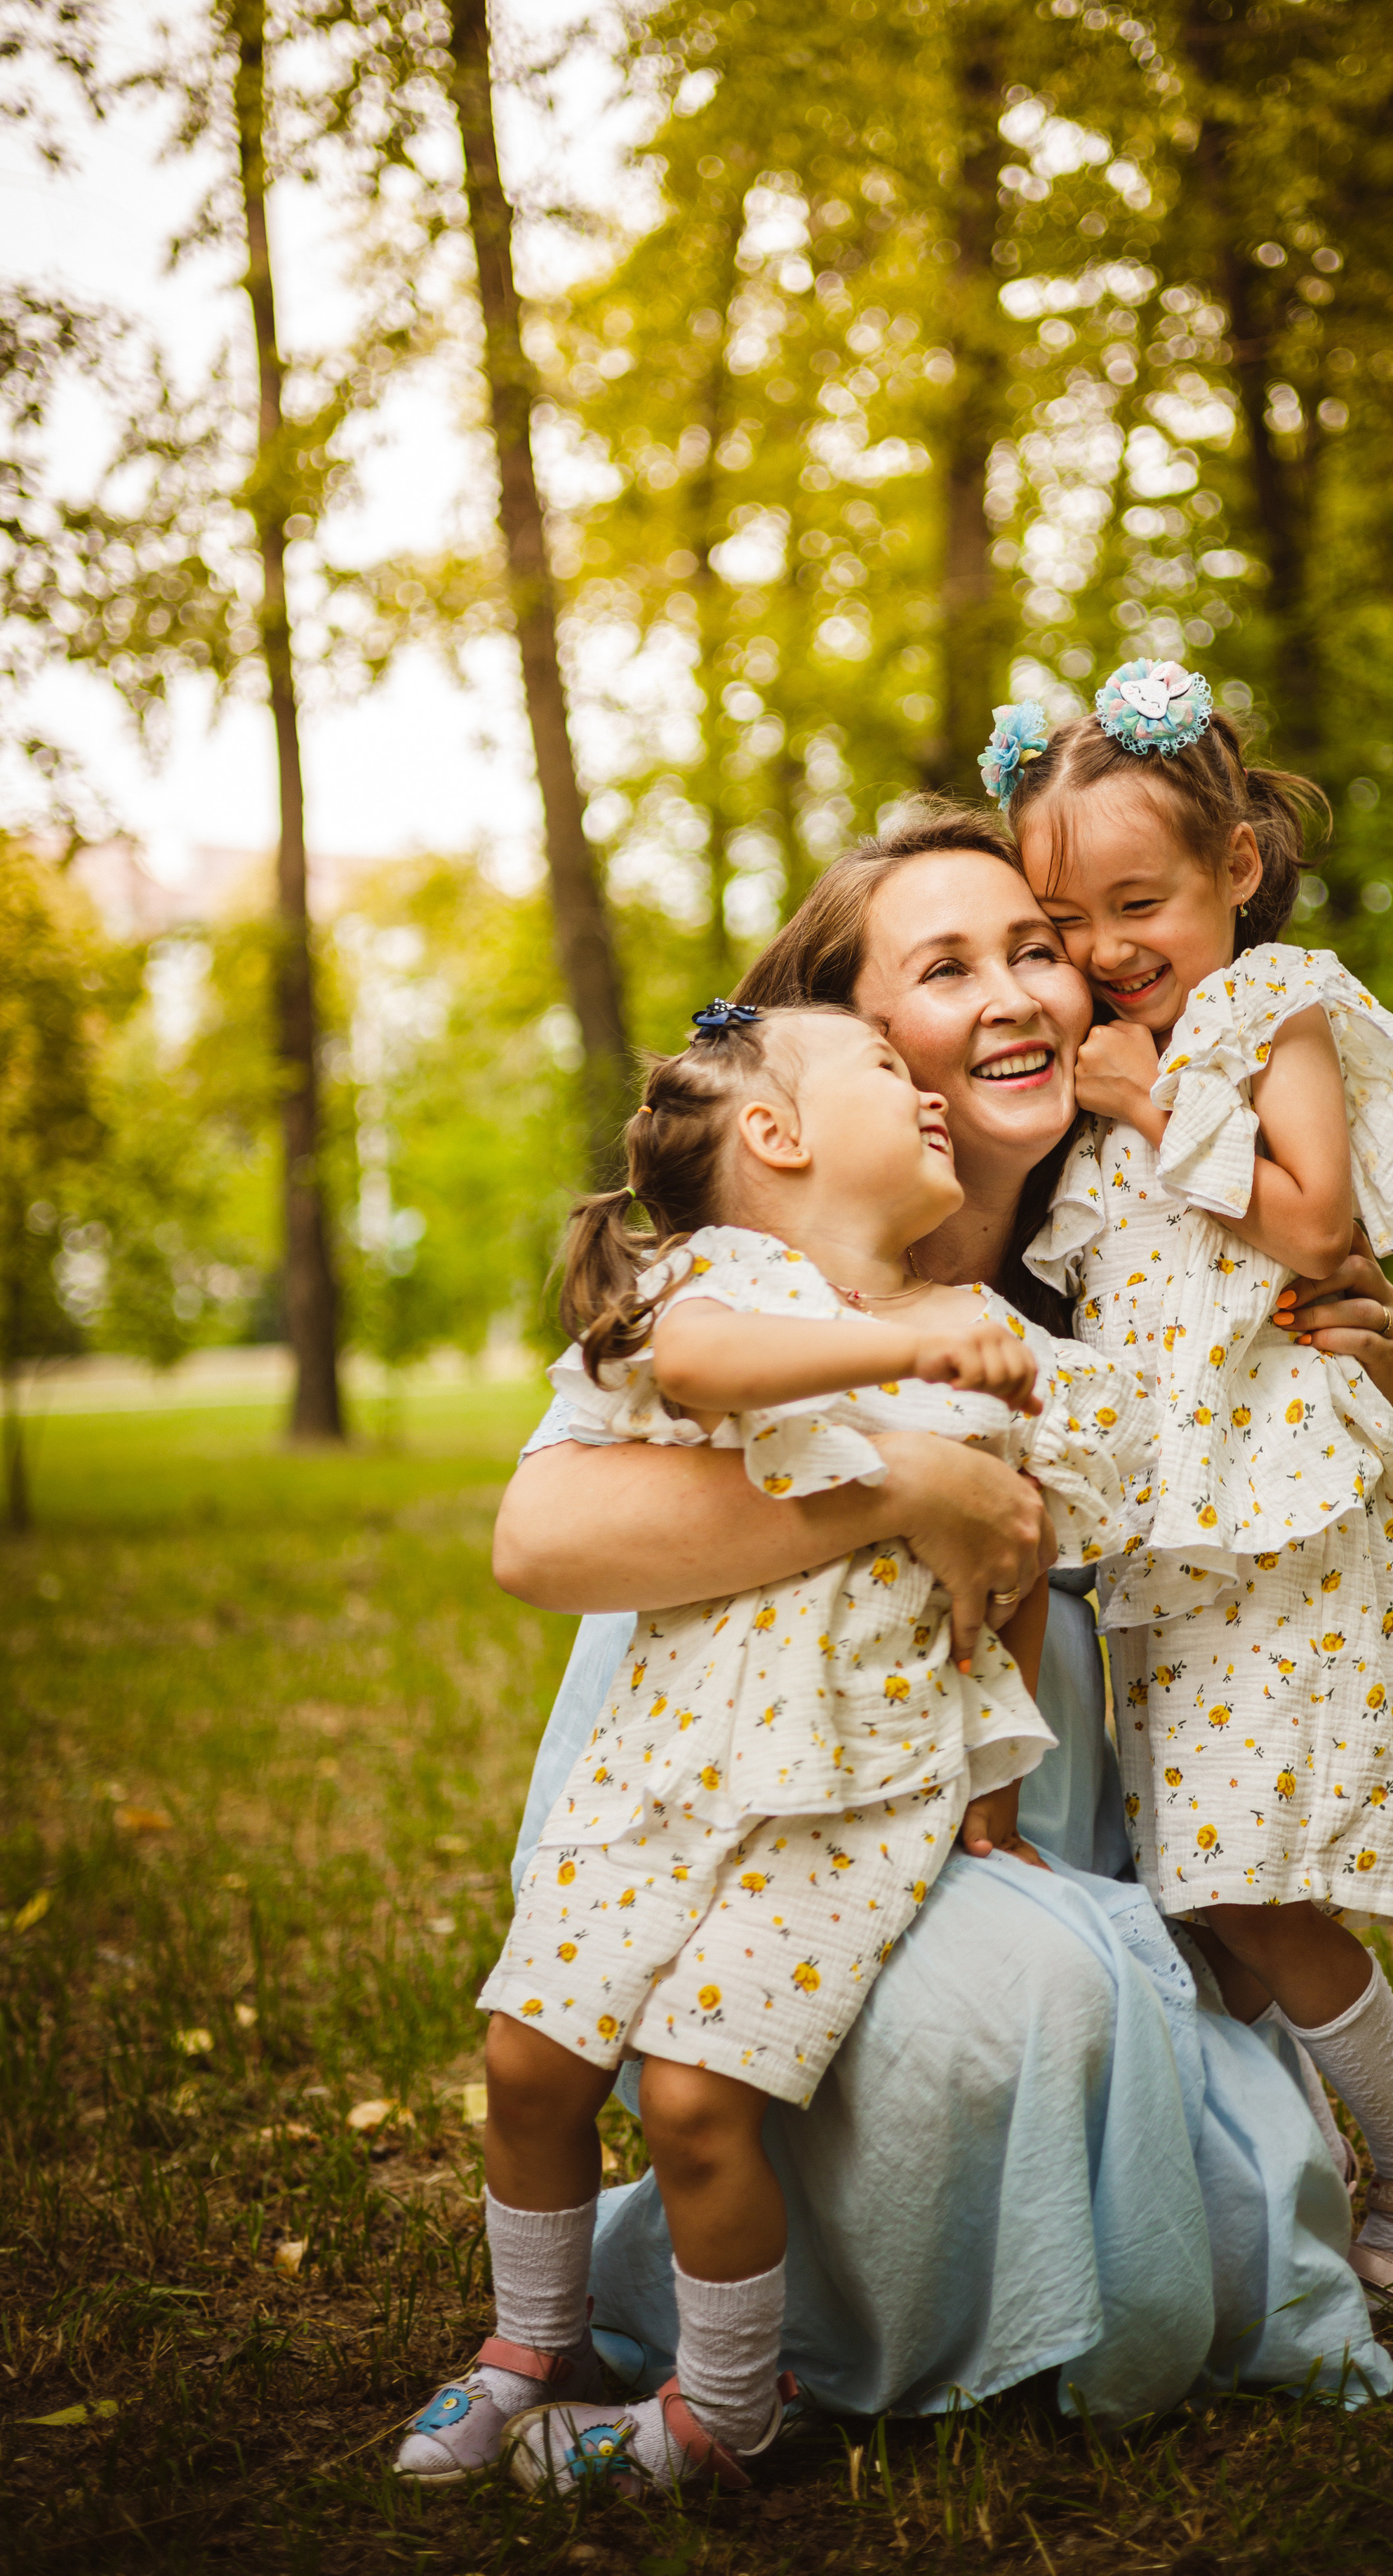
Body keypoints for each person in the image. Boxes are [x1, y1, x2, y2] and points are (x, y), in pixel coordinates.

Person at [444, 806, 1393, 2463]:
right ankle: (678, 2358)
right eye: (947, 968)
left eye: (1037, 950)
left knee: (1074, 2045)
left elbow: (1257, 1561)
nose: (1023, 992)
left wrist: (1353, 1383)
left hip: (1002, 1810)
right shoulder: (735, 1279)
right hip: (732, 1791)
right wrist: (906, 1481)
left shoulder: (1143, 1260)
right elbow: (539, 1535)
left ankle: (771, 2374)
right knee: (881, 2050)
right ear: (846, 1048)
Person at [412, 999, 1139, 2499]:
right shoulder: (727, 1280)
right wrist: (893, 1340)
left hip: (849, 1806)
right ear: (775, 1136)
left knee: (694, 2099)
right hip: (659, 1772)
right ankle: (528, 2346)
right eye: (886, 1069)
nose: (925, 1091)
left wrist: (996, 1770)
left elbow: (1006, 1568)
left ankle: (722, 2409)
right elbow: (699, 1370)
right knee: (526, 2056)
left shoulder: (986, 1338)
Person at [997, 661, 1393, 2307]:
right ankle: (1285, 2169)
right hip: (1176, 1528)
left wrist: (1151, 1098)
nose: (1099, 950)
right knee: (1205, 1879)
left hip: (1280, 1510)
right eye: (1061, 917)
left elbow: (1316, 1226)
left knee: (1248, 1871)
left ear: (1235, 867)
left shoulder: (1259, 1010)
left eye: (1135, 900)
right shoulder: (1107, 1061)